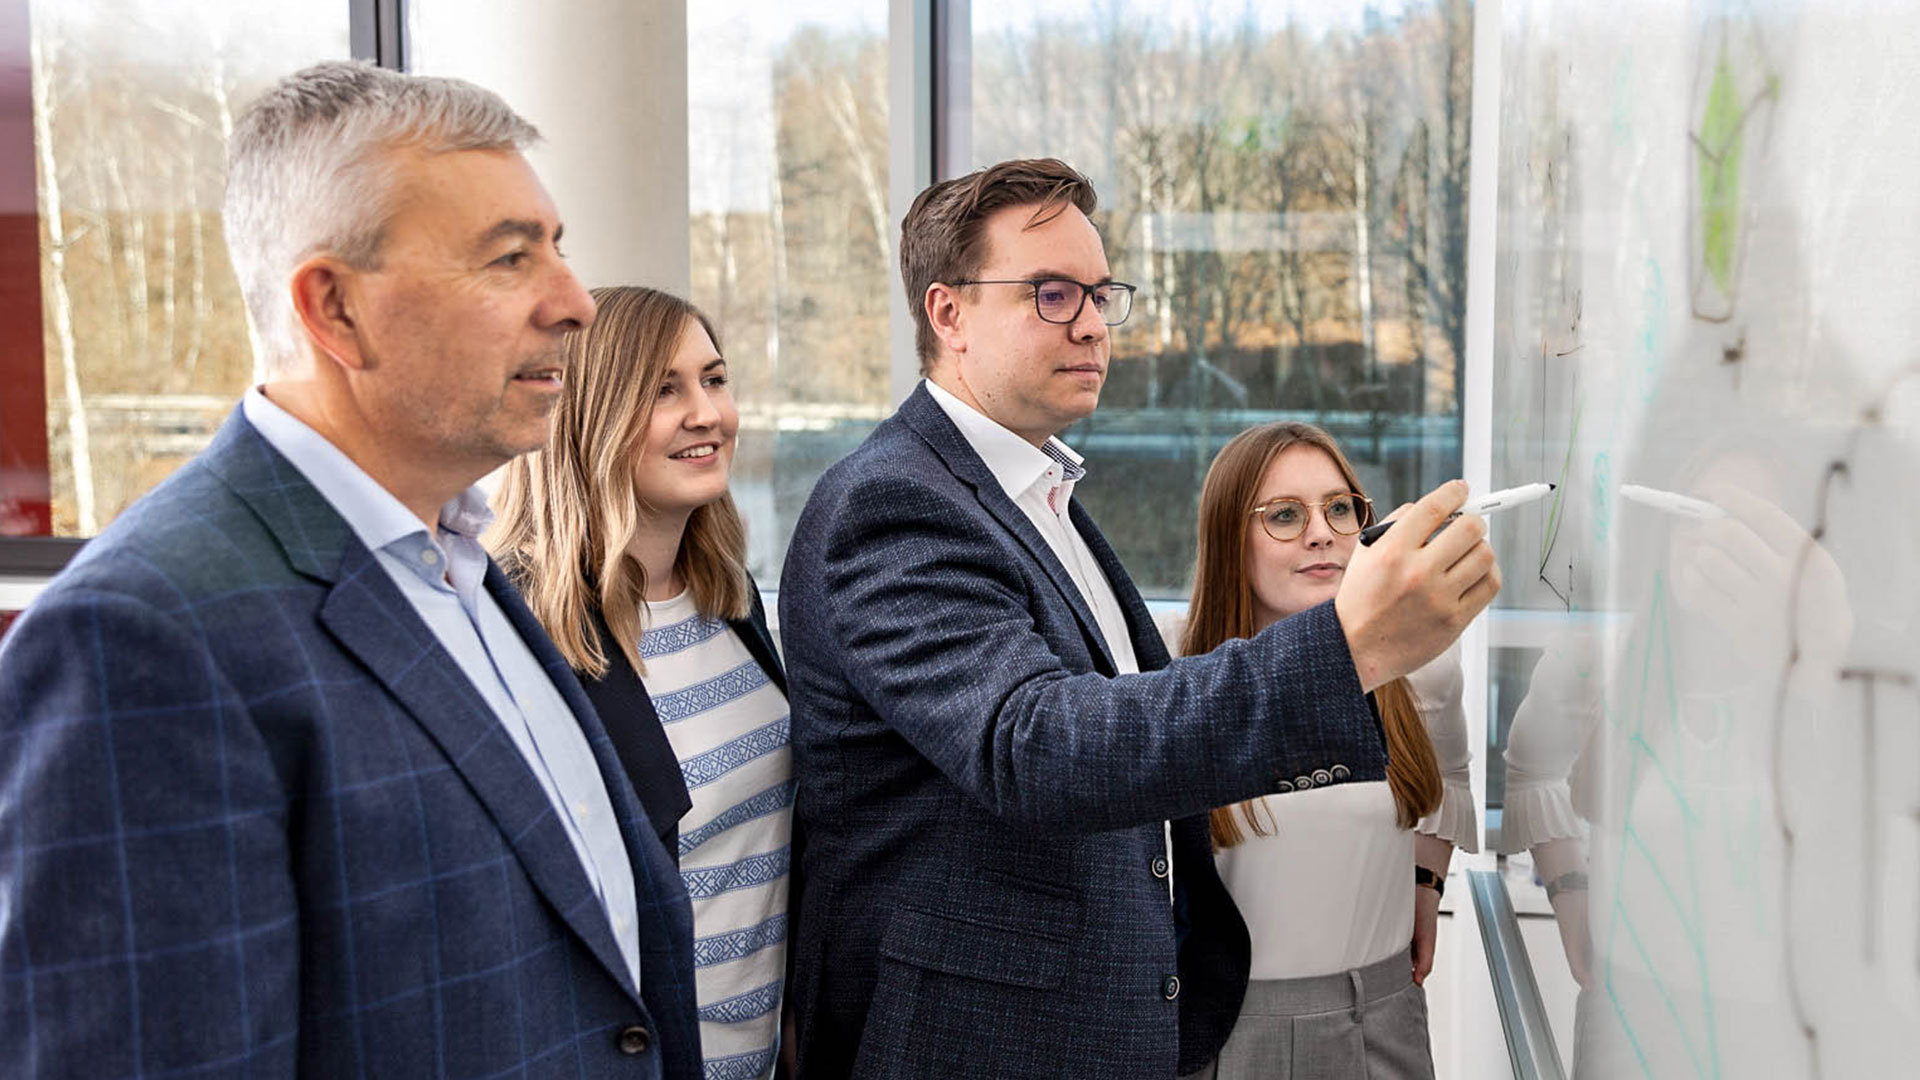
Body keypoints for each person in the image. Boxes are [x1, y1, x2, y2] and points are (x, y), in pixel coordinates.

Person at [0, 62, 700, 1077]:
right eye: (510, 258)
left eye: (558, 247)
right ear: (333, 309)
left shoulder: (459, 557)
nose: (574, 302)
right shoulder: (141, 637)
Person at [777, 156, 1501, 1079]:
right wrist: (1346, 645)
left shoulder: (1038, 492)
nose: (1091, 323)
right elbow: (1038, 746)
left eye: (1099, 294)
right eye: (1050, 294)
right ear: (948, 313)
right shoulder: (892, 503)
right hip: (979, 1044)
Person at [489, 285, 791, 1080]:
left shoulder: (731, 598)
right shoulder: (521, 628)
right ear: (589, 415)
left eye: (714, 379)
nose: (707, 413)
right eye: (664, 390)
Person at [1177, 422, 1478, 1080]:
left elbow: (1450, 774)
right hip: (1229, 1029)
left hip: (1388, 1015)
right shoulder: (1177, 688)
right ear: (1229, 538)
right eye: (1284, 515)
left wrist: (1426, 885)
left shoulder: (1420, 669)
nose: (1321, 533)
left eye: (1339, 508)